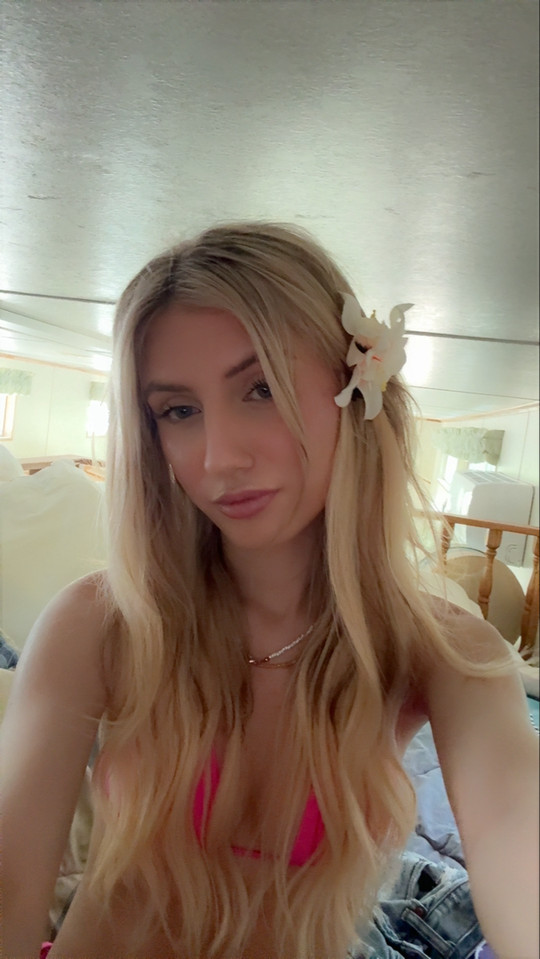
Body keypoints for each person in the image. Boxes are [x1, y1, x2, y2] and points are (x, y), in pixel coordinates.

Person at [1, 222, 538, 959]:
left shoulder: (442, 655)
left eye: (261, 389)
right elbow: (9, 883)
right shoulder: (100, 625)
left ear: (354, 391)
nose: (219, 457)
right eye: (178, 410)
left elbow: (519, 847)